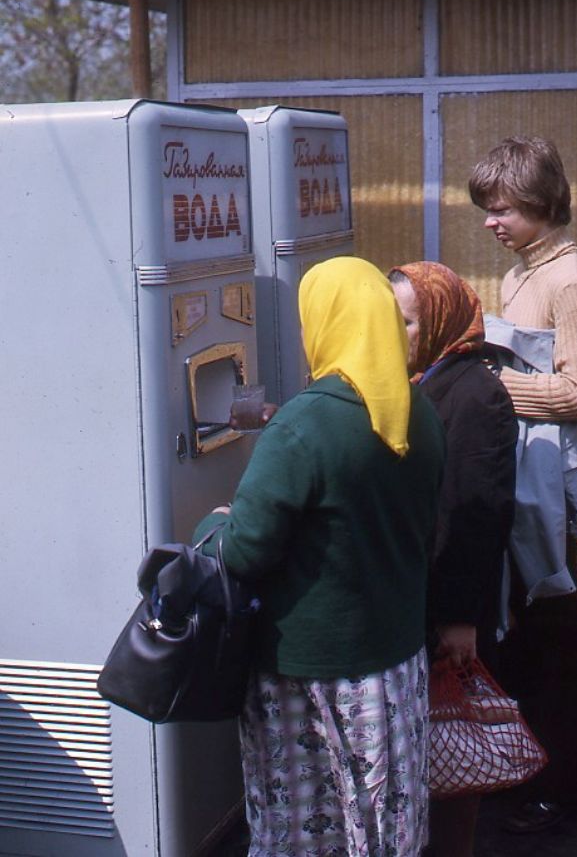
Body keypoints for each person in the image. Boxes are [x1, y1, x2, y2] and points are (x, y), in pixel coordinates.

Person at [193, 256, 446, 856]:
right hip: (396, 668)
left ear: (324, 322)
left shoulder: (306, 424)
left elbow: (245, 551)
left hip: (308, 677)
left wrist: (213, 523)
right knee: (379, 824)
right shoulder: (421, 412)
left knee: (305, 833)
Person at [469, 135, 577, 833]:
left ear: (539, 201)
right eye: (487, 210)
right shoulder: (521, 273)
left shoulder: (572, 279)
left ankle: (573, 784)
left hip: (551, 491)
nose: (491, 222)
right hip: (521, 478)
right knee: (522, 632)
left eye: (501, 209)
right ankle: (530, 768)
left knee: (555, 636)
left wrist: (491, 389)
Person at [388, 261, 518, 857]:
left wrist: (460, 617)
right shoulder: (423, 380)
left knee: (451, 742)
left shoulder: (475, 394)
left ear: (440, 320)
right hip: (426, 594)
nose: (397, 333)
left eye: (408, 322)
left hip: (449, 605)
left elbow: (474, 515)